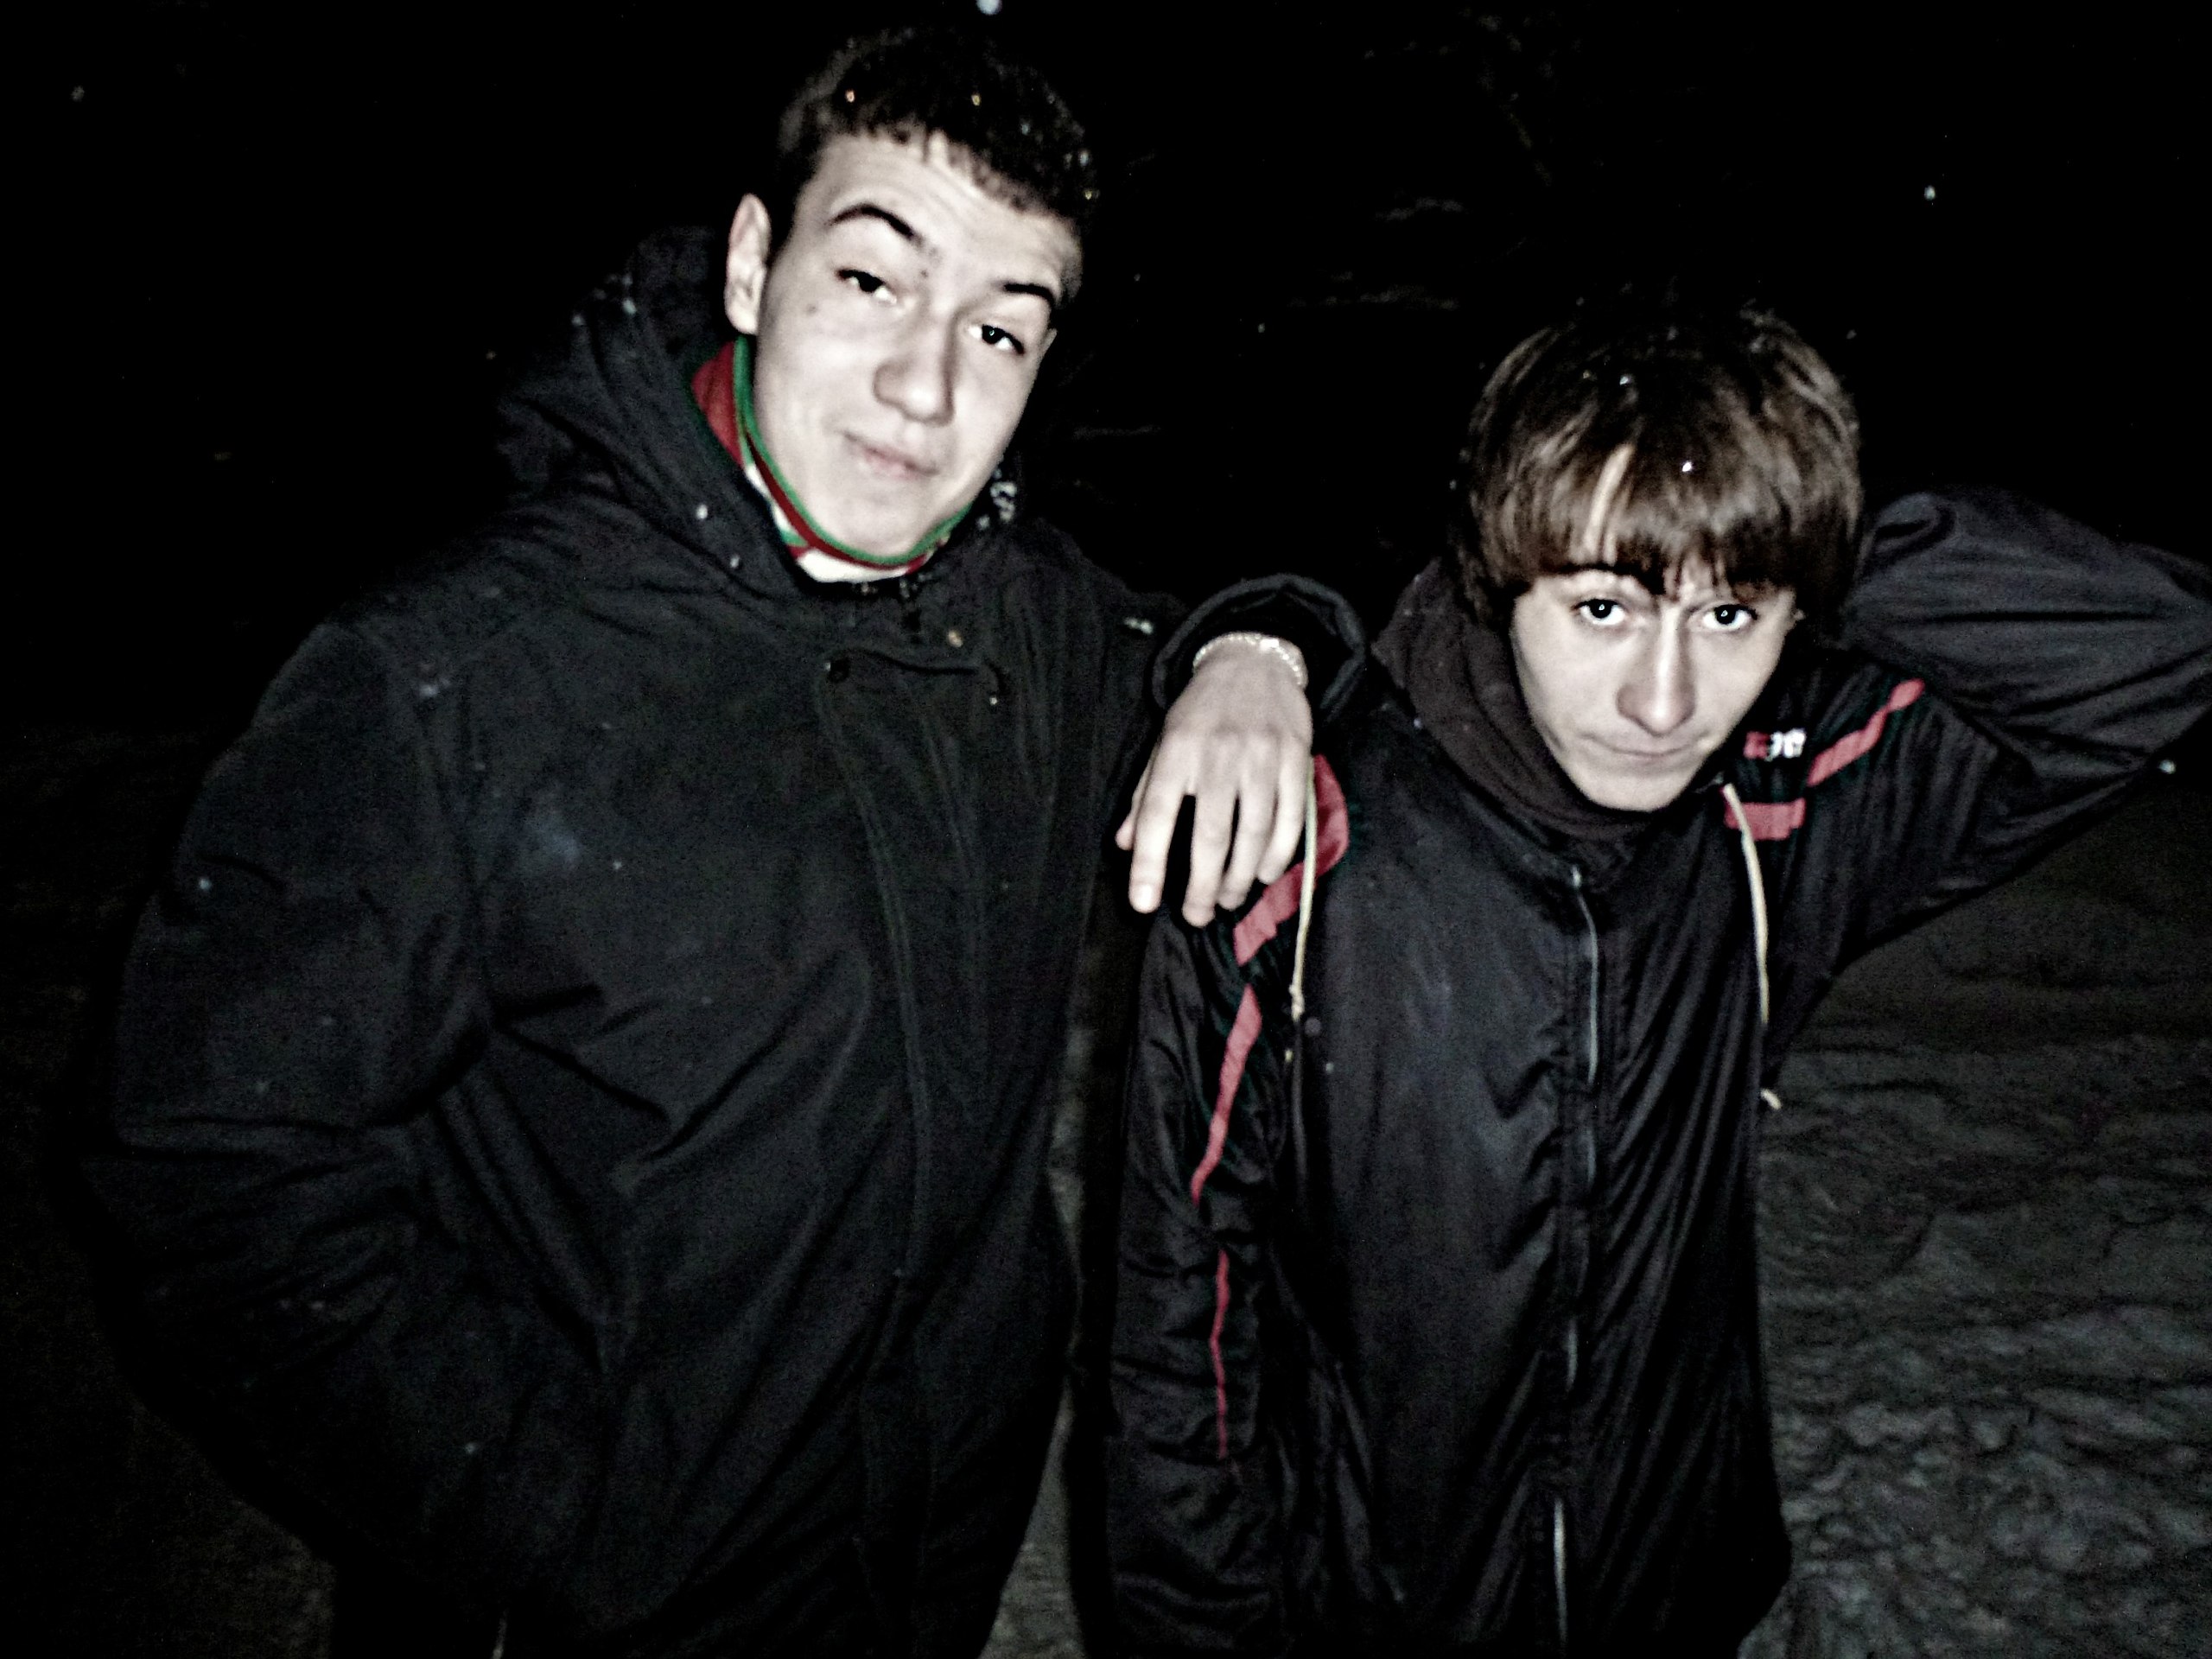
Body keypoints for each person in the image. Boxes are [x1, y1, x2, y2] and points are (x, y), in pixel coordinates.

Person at [82, 28, 1361, 1659]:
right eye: (874, 282)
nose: (927, 388)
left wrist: (1258, 650)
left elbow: (1214, 626)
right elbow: (206, 1168)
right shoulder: (457, 676)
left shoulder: (1029, 633)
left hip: (924, 1571)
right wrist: (548, 1517)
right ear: (754, 265)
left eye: (998, 329)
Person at [1106, 304, 2212, 1655]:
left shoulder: (1776, 809)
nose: (1664, 701)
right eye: (1603, 609)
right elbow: (1180, 1324)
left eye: (1730, 617)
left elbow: (2157, 654)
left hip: (1680, 1593)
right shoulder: (1300, 838)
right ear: (1501, 574)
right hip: (1373, 1610)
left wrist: (1786, 523)